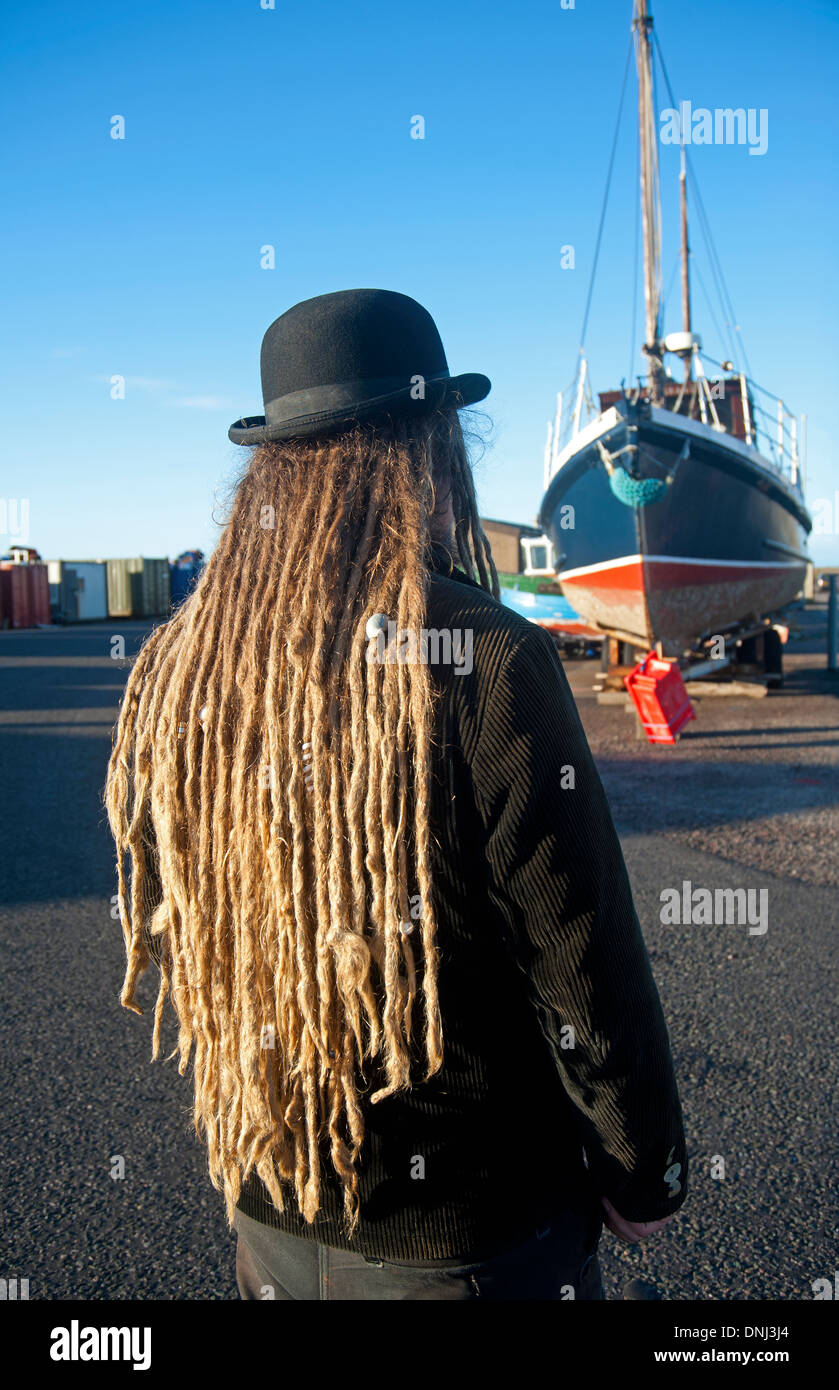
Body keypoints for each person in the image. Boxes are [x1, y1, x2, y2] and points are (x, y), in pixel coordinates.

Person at [104, 288, 688, 1301]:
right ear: (428, 447)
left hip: (273, 1208)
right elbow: (577, 958)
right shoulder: (486, 656)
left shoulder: (180, 659)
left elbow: (179, 906)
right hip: (471, 1239)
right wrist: (643, 1166)